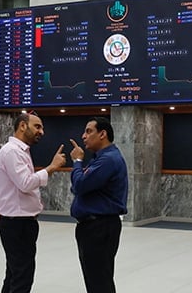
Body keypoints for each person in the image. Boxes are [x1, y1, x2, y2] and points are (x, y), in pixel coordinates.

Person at [0, 111, 67, 293]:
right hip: (18, 225)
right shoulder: (12, 152)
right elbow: (25, 184)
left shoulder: (19, 151)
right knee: (22, 276)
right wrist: (52, 167)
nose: (42, 132)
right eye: (37, 126)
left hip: (17, 221)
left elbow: (11, 187)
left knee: (15, 273)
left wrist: (2, 209)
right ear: (23, 126)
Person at [69, 116, 128, 293]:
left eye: (89, 131)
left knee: (99, 282)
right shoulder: (101, 159)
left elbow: (79, 185)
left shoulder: (108, 160)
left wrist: (77, 161)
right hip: (96, 227)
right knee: (97, 279)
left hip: (99, 228)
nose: (83, 136)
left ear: (103, 134)